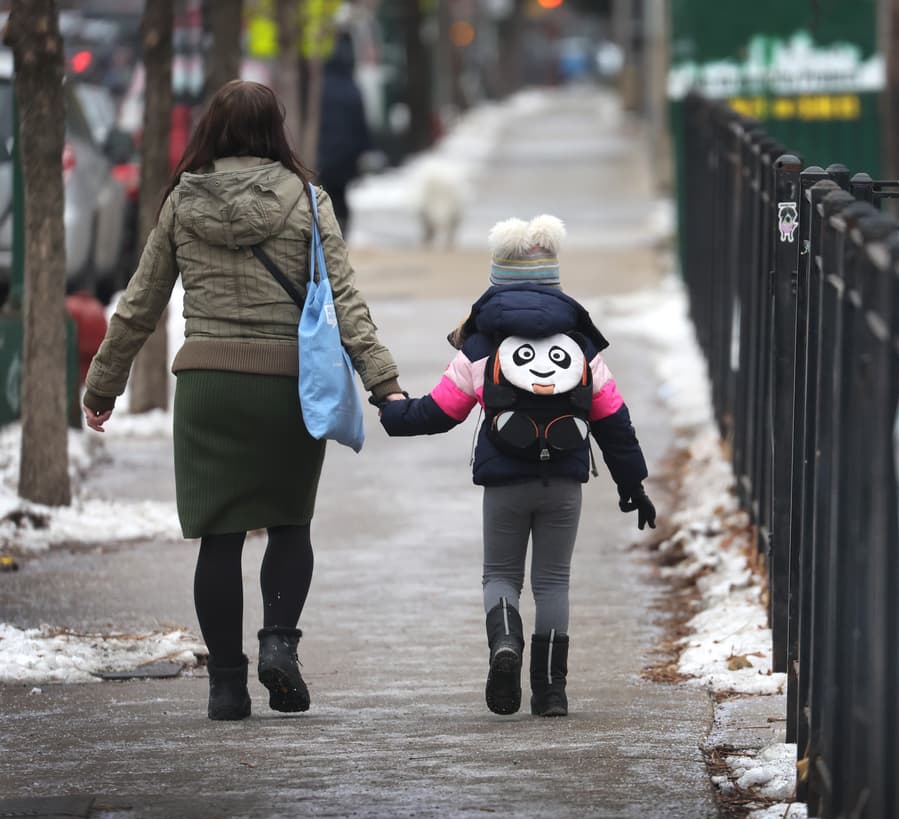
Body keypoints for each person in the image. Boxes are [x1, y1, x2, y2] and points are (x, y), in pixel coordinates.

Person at [81, 81, 405, 721]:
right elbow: (345, 303)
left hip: (208, 387)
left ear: (213, 130)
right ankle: (279, 643)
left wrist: (102, 384)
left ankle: (226, 685)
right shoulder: (308, 201)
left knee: (219, 538)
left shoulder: (180, 201)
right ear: (274, 131)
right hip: (287, 388)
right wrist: (383, 381)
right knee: (290, 524)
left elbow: (140, 304)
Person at [378, 215, 657, 718]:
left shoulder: (481, 344)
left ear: (496, 279)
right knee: (553, 582)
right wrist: (632, 482)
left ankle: (505, 643)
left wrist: (392, 411)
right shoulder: (581, 345)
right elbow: (613, 418)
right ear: (554, 279)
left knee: (501, 577)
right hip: (564, 483)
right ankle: (551, 692)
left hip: (505, 481)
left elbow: (441, 412)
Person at [315, 33, 371, 237]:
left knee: (324, 193)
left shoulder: (318, 88)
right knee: (340, 195)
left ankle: (328, 232)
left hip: (323, 153)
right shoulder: (352, 88)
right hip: (346, 155)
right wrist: (364, 150)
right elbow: (361, 124)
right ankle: (341, 231)